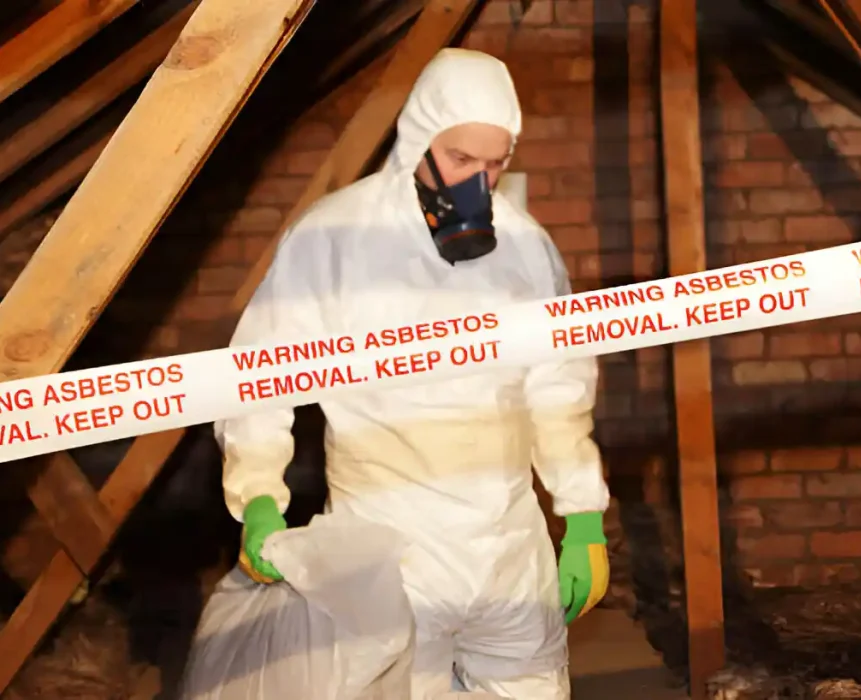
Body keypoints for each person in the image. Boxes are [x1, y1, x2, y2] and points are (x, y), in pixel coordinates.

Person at [214, 47, 611, 699]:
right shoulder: (334, 238)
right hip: (388, 554)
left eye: (496, 163)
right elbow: (262, 372)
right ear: (418, 139)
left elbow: (558, 391)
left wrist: (583, 515)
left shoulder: (524, 245)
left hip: (506, 545)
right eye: (460, 161)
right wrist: (259, 496)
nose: (476, 186)